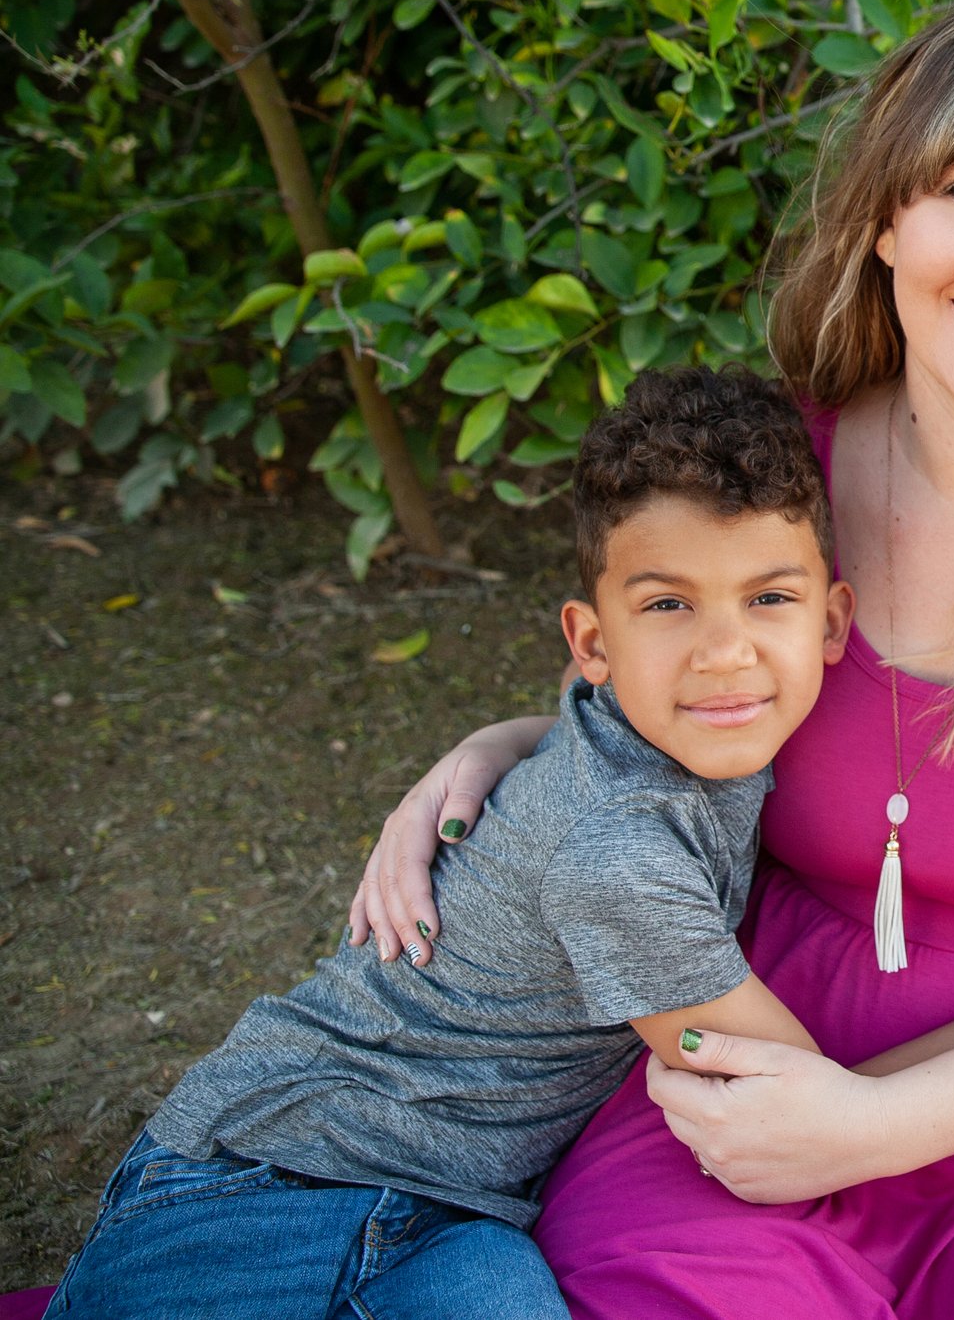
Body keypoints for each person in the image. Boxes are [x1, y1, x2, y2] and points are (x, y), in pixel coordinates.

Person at [347, 0, 954, 1318]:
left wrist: (880, 1123)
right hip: (739, 1075)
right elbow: (672, 696)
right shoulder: (780, 467)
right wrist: (504, 746)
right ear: (883, 217)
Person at [41, 365, 849, 1320]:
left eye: (768, 598)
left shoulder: (635, 727)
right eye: (668, 605)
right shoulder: (619, 856)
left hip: (460, 1215)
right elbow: (794, 1098)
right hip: (272, 1175)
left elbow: (565, 736)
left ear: (833, 620)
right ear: (592, 644)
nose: (725, 651)